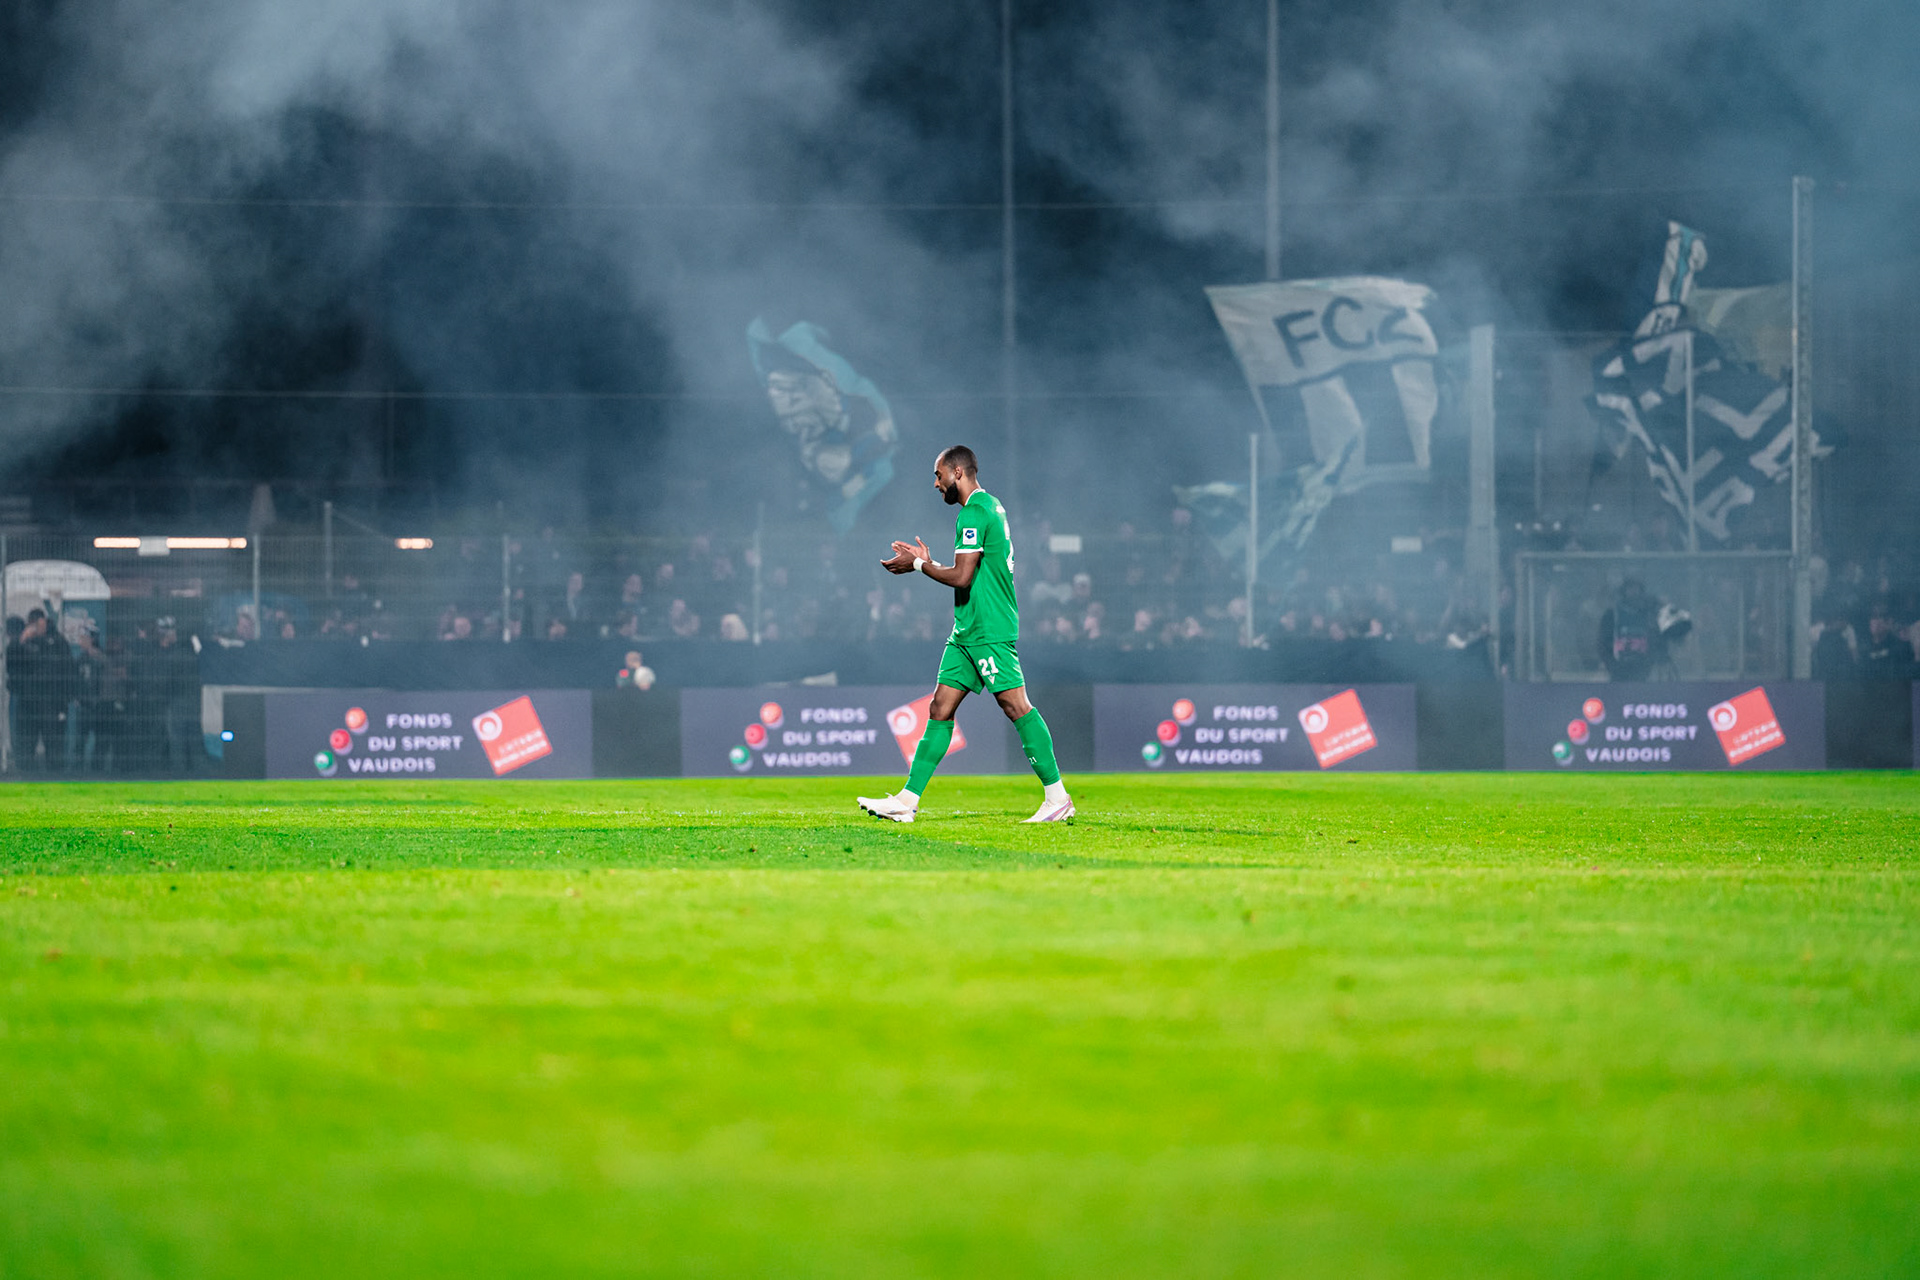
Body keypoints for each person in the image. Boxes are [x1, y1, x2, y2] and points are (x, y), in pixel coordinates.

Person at [857, 445, 1072, 824]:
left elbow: (963, 577)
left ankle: (1057, 798)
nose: (936, 484)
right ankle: (908, 799)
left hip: (988, 629)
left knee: (1016, 706)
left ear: (957, 472)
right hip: (967, 630)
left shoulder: (974, 512)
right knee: (939, 708)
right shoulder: (990, 507)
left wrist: (920, 565)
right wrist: (931, 562)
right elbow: (967, 570)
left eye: (939, 475)